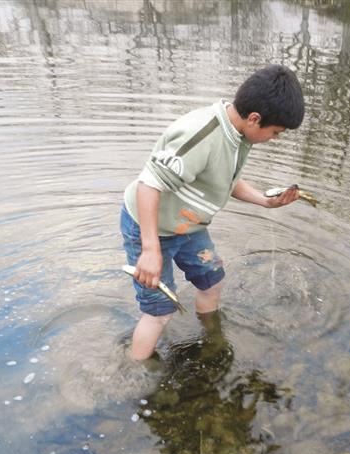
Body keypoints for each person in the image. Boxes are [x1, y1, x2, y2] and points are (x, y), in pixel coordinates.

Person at [120, 65, 305, 360]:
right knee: (160, 312)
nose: (275, 139)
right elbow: (149, 184)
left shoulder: (238, 135)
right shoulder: (201, 136)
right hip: (150, 227)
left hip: (188, 227)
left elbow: (225, 180)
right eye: (275, 132)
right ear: (255, 118)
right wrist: (150, 249)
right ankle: (135, 371)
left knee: (212, 281)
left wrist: (265, 201)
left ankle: (211, 340)